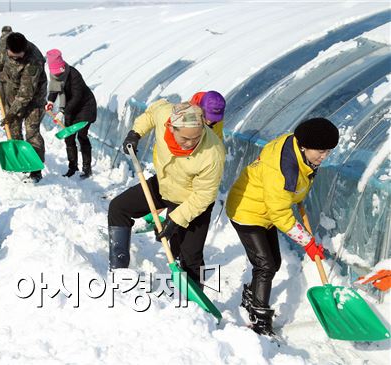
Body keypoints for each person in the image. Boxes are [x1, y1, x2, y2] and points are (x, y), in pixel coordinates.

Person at [225, 117, 339, 336]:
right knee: (265, 265)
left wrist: (295, 194)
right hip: (247, 211)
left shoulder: (297, 147)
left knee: (273, 263)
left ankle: (251, 294)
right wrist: (307, 242)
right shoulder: (283, 170)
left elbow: (281, 201)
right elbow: (280, 214)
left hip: (265, 210)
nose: (324, 157)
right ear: (304, 145)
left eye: (328, 151)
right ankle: (260, 319)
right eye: (321, 151)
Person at [108, 101, 225, 285]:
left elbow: (204, 195)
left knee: (190, 256)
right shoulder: (165, 115)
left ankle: (192, 302)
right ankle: (118, 269)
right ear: (171, 127)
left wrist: (174, 220)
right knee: (118, 208)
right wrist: (135, 133)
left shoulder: (213, 152)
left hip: (191, 200)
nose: (191, 143)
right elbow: (150, 115)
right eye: (185, 138)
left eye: (196, 138)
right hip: (165, 185)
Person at [0, 32, 47, 183]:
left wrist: (11, 113)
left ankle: (35, 170)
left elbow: (26, 94)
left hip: (33, 100)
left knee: (32, 132)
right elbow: (0, 61)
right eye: (12, 56)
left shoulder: (34, 61)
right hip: (13, 94)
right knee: (13, 128)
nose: (15, 59)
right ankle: (19, 159)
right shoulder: (4, 44)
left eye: (18, 56)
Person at [45, 49, 97, 178]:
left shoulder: (74, 75)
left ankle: (87, 168)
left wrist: (62, 111)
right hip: (70, 108)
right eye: (55, 72)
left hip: (85, 107)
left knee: (82, 136)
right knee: (69, 138)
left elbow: (77, 97)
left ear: (63, 66)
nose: (57, 74)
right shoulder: (55, 76)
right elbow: (55, 88)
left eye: (59, 71)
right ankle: (72, 167)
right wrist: (51, 101)